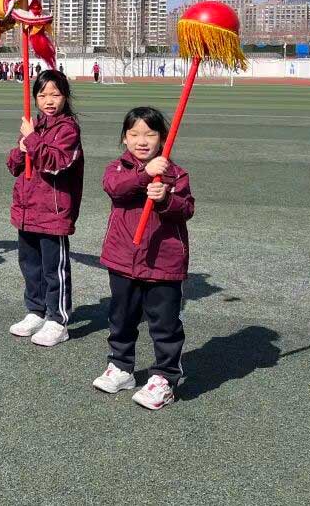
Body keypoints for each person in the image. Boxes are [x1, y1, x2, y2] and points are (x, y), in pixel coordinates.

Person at [94, 107, 195, 410]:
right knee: (121, 318)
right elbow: (115, 189)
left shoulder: (175, 174)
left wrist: (165, 198)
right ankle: (121, 367)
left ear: (163, 138)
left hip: (163, 264)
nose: (142, 140)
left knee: (164, 324)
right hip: (123, 260)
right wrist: (143, 174)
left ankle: (165, 378)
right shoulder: (118, 169)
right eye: (134, 134)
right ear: (124, 138)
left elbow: (186, 209)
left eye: (150, 134)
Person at [5, 69, 84, 346]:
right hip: (27, 209)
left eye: (55, 94)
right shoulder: (34, 126)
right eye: (42, 95)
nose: (49, 100)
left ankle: (58, 319)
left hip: (53, 211)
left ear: (65, 96)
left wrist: (32, 141)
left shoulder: (68, 129)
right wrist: (22, 147)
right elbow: (14, 165)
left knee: (54, 268)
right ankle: (36, 311)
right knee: (30, 265)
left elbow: (57, 163)